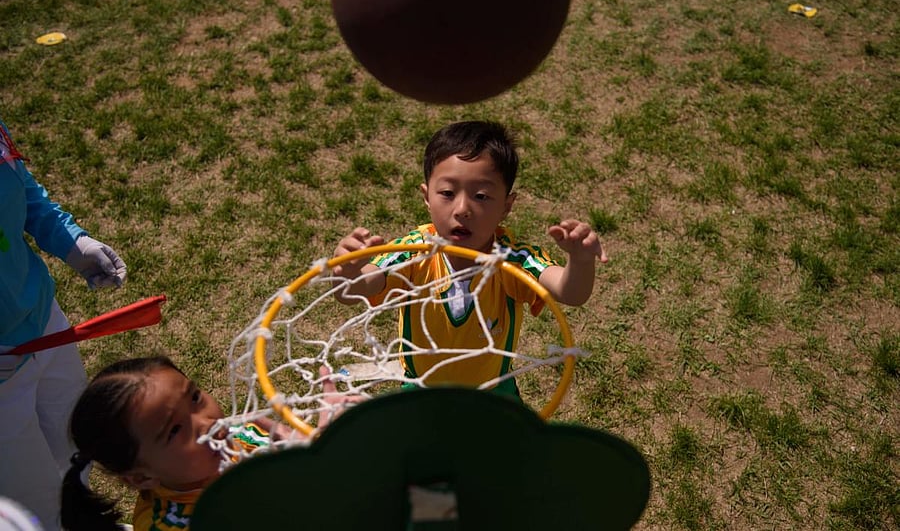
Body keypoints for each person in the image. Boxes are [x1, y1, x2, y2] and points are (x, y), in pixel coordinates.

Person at [333, 120, 607, 395]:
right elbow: (354, 291)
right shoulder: (413, 253)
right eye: (447, 193)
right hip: (421, 391)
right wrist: (348, 272)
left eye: (481, 196)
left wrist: (580, 261)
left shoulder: (513, 260)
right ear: (427, 197)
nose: (462, 209)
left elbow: (571, 293)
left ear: (506, 206)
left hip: (492, 393)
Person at [0, 118, 127, 531]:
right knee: (31, 498)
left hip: (44, 323)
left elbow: (23, 190)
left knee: (74, 444)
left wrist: (72, 242)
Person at [60, 355, 356, 531]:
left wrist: (321, 450)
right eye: (175, 430)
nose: (206, 422)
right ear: (141, 477)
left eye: (195, 397)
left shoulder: (241, 436)